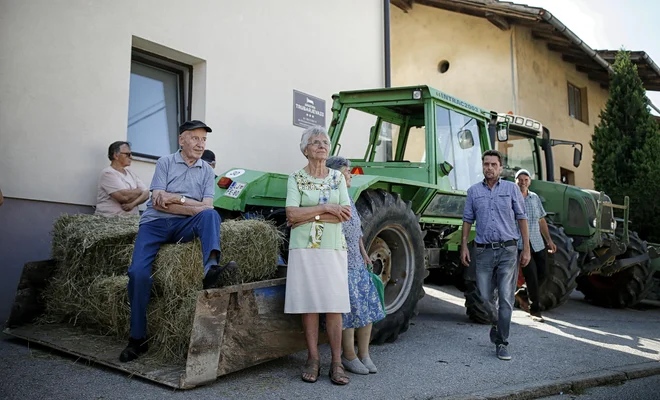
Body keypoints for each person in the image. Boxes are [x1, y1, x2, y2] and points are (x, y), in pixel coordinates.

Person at [119, 120, 237, 363]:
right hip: (155, 225)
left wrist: (177, 200)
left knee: (211, 215)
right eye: (195, 138)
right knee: (137, 274)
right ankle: (136, 338)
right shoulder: (165, 162)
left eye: (204, 140)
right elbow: (157, 203)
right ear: (182, 139)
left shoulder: (206, 170)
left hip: (184, 226)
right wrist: (190, 205)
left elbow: (207, 207)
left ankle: (211, 268)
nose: (200, 143)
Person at [284, 125, 352, 385]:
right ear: (305, 150)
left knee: (334, 306)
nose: (322, 145)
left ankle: (336, 362)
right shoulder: (295, 178)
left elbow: (344, 214)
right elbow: (291, 215)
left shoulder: (337, 178)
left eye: (325, 141)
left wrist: (308, 214)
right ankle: (313, 358)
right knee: (309, 305)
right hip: (304, 249)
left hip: (333, 248)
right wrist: (325, 208)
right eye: (315, 142)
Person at [461, 150, 530, 361]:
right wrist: (464, 245)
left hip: (508, 250)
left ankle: (502, 342)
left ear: (500, 168)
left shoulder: (511, 189)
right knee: (483, 296)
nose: (489, 167)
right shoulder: (473, 192)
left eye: (493, 164)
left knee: (506, 298)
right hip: (483, 250)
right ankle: (495, 323)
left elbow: (522, 218)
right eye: (486, 164)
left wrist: (525, 248)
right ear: (482, 166)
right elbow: (467, 220)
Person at [326, 156, 385, 376]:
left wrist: (364, 254)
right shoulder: (331, 199)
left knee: (367, 308)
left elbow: (357, 232)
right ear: (335, 175)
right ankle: (349, 356)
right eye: (346, 171)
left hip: (358, 263)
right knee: (349, 312)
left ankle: (365, 354)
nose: (351, 174)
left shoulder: (349, 198)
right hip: (341, 265)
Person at [514, 169, 557, 323]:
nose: (523, 182)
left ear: (529, 182)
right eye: (520, 179)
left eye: (526, 179)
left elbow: (541, 220)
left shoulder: (534, 198)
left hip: (537, 243)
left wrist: (549, 240)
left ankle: (521, 292)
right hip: (521, 244)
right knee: (531, 275)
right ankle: (535, 310)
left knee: (544, 273)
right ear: (516, 181)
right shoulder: (512, 198)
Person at [95, 141, 149, 217]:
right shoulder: (108, 173)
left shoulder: (131, 173)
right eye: (128, 154)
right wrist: (139, 191)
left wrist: (132, 204)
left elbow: (146, 194)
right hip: (111, 219)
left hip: (131, 220)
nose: (131, 157)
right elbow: (124, 197)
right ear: (116, 156)